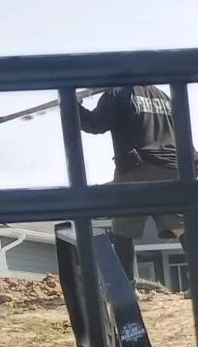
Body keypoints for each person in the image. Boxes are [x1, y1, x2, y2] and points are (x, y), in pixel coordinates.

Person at [77, 85, 181, 278]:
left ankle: (126, 286)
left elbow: (95, 124)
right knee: (180, 225)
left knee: (123, 229)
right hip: (171, 166)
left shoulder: (117, 92)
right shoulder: (165, 97)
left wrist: (73, 106)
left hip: (136, 167)